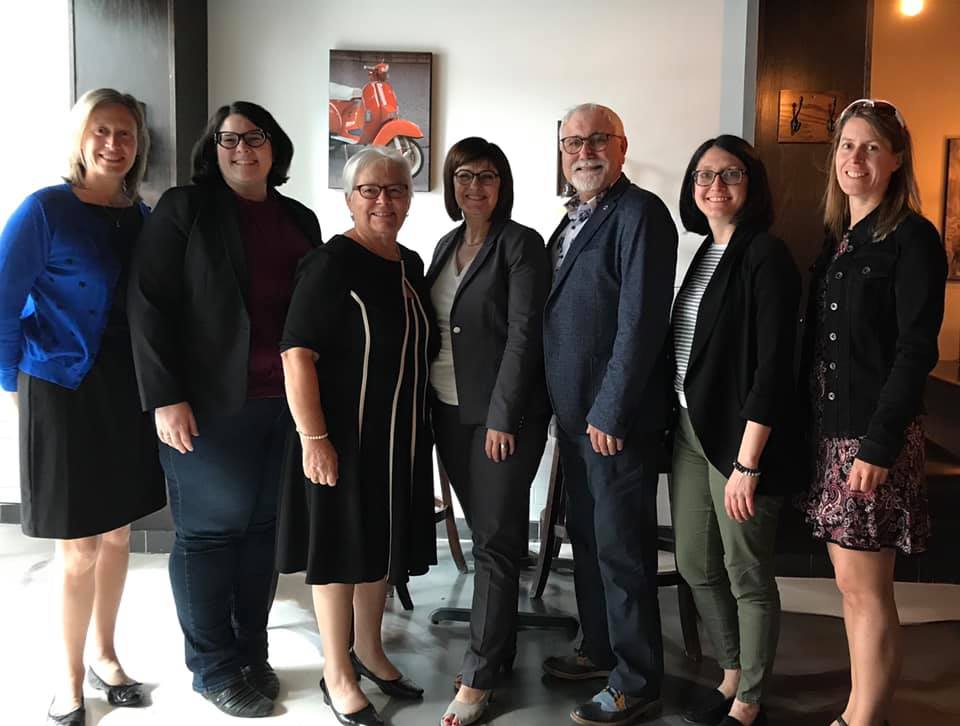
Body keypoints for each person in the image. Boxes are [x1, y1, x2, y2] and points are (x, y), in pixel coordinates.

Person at [127, 101, 323, 718]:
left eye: (255, 136)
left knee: (262, 534)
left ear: (275, 145)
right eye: (229, 138)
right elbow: (148, 304)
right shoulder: (185, 209)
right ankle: (212, 667)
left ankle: (250, 650)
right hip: (206, 406)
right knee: (210, 537)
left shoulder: (299, 218)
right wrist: (165, 396)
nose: (243, 148)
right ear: (212, 149)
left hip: (282, 407)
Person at [0, 88, 164, 726]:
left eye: (125, 133)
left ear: (137, 145)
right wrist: (14, 382)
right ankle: (68, 679)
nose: (113, 144)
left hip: (125, 392)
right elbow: (3, 299)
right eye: (101, 130)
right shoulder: (46, 209)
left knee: (119, 532)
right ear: (81, 137)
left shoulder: (143, 215)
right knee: (78, 547)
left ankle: (106, 655)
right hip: (61, 390)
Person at [799, 99, 946, 726]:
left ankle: (863, 718)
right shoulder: (841, 240)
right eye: (846, 146)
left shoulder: (912, 237)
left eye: (870, 148)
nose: (855, 158)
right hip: (835, 436)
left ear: (895, 160)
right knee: (851, 588)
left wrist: (877, 447)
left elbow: (916, 350)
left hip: (872, 440)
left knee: (866, 590)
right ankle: (865, 710)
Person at [277, 146, 436, 726]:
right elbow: (297, 355)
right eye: (371, 190)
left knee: (379, 550)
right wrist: (312, 437)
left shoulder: (410, 265)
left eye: (396, 190)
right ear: (349, 199)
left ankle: (370, 651)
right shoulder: (329, 264)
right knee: (340, 556)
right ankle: (337, 671)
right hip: (341, 440)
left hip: (398, 441)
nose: (384, 201)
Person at [541, 103, 678, 726]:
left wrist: (612, 411)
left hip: (612, 423)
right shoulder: (569, 219)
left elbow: (640, 324)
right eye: (573, 141)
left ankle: (637, 680)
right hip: (574, 421)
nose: (584, 150)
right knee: (590, 544)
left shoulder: (641, 214)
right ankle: (600, 650)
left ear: (623, 147)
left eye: (599, 139)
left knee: (622, 552)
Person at [670, 135, 800, 726]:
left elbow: (774, 366)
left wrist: (748, 464)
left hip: (739, 439)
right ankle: (728, 670)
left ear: (752, 185)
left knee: (746, 572)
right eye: (704, 175)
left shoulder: (765, 254)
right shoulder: (702, 252)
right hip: (690, 431)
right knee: (696, 562)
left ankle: (749, 695)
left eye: (729, 175)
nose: (714, 187)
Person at [426, 137, 551, 726]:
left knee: (496, 542)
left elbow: (525, 336)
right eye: (463, 176)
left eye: (487, 176)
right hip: (448, 411)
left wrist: (503, 415)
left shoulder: (520, 245)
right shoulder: (446, 244)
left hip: (500, 419)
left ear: (503, 184)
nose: (474, 186)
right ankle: (496, 650)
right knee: (486, 534)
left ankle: (478, 677)